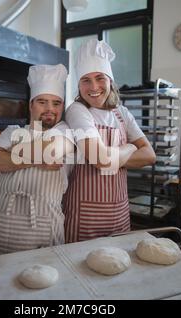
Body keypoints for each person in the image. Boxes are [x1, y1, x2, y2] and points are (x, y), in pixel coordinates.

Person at [63, 39, 156, 243]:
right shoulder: (78, 111)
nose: (94, 86)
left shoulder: (122, 113)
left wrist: (111, 156)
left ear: (110, 80)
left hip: (120, 211)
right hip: (85, 215)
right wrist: (131, 147)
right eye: (86, 80)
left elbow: (150, 155)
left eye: (99, 78)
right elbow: (101, 159)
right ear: (78, 85)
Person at [0, 64, 74, 256]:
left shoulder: (66, 131)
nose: (50, 109)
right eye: (42, 102)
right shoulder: (12, 130)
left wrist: (9, 154)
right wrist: (37, 159)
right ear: (31, 104)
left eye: (56, 103)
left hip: (43, 231)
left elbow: (48, 150)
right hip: (2, 227)